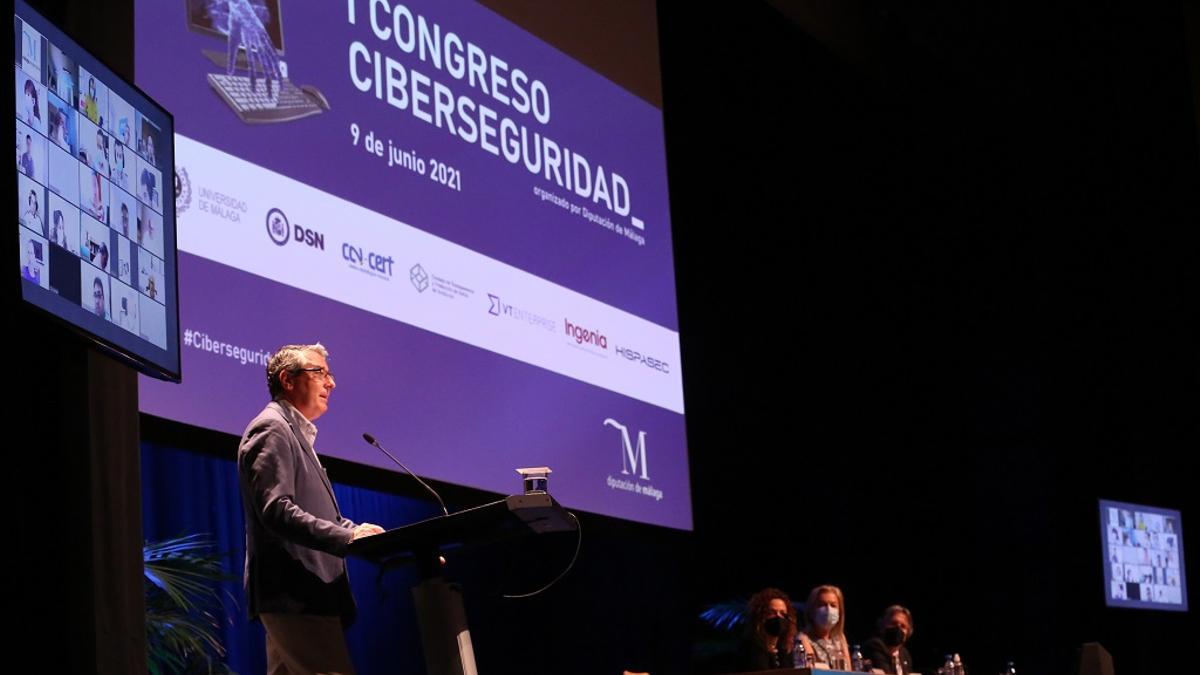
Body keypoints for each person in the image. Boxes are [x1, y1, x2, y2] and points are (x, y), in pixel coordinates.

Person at [238, 343, 385, 673]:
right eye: (320, 373)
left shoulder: (296, 433)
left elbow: (318, 514)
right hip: (296, 592)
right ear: (288, 380)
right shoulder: (272, 428)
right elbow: (276, 509)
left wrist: (359, 532)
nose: (331, 383)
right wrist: (345, 538)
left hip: (303, 593)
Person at [739, 588, 800, 670]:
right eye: (772, 613)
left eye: (782, 613)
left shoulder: (784, 647)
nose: (778, 617)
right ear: (760, 616)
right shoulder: (752, 646)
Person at [803, 584, 853, 670]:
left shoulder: (840, 638)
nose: (828, 609)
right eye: (822, 605)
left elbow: (849, 670)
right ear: (811, 610)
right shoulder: (803, 639)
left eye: (833, 605)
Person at [862, 605, 915, 675]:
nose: (898, 628)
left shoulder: (904, 654)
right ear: (882, 625)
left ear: (908, 632)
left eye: (903, 626)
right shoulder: (875, 646)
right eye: (893, 623)